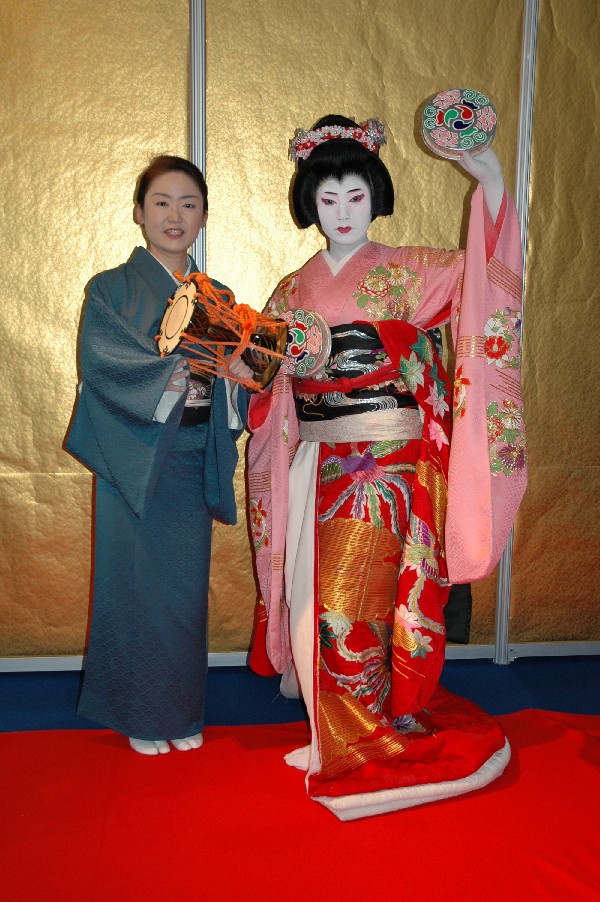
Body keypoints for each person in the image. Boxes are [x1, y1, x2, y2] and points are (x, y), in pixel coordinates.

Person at [247, 115, 527, 818]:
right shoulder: (293, 287)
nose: (342, 212)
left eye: (355, 196)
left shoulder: (413, 269)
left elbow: (487, 285)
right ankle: (330, 732)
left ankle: (357, 738)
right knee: (310, 598)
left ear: (376, 195)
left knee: (348, 606)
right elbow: (265, 377)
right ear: (310, 204)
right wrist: (240, 358)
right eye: (327, 199)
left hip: (382, 462)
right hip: (315, 454)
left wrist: (491, 180)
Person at [66, 155, 250, 755]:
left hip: (193, 453)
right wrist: (172, 372)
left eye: (189, 204)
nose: (175, 215)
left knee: (182, 596)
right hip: (135, 457)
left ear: (204, 218)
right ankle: (138, 714)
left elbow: (238, 379)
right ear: (140, 213)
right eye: (162, 203)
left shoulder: (220, 298)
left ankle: (179, 709)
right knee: (133, 589)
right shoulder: (110, 290)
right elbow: (102, 367)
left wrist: (238, 377)